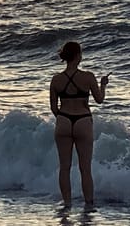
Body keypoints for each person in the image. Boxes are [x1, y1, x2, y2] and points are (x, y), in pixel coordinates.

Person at [49, 41, 109, 209]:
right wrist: (103, 85)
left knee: (64, 168)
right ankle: (88, 205)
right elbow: (99, 100)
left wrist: (62, 119)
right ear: (77, 56)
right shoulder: (88, 77)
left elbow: (54, 107)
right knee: (85, 169)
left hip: (63, 121)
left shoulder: (56, 79)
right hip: (82, 120)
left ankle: (67, 204)